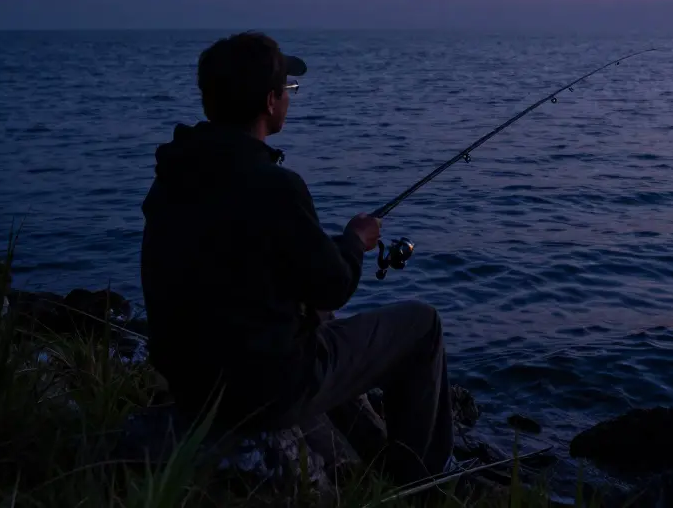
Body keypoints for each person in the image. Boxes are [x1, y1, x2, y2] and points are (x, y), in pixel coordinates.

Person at [139, 31, 454, 484]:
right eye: (287, 88)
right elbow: (334, 284)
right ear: (270, 102)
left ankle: (375, 458)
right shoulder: (274, 186)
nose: (289, 97)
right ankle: (420, 482)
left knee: (316, 317)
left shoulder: (172, 177)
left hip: (191, 382)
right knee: (423, 326)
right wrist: (354, 241)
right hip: (262, 392)